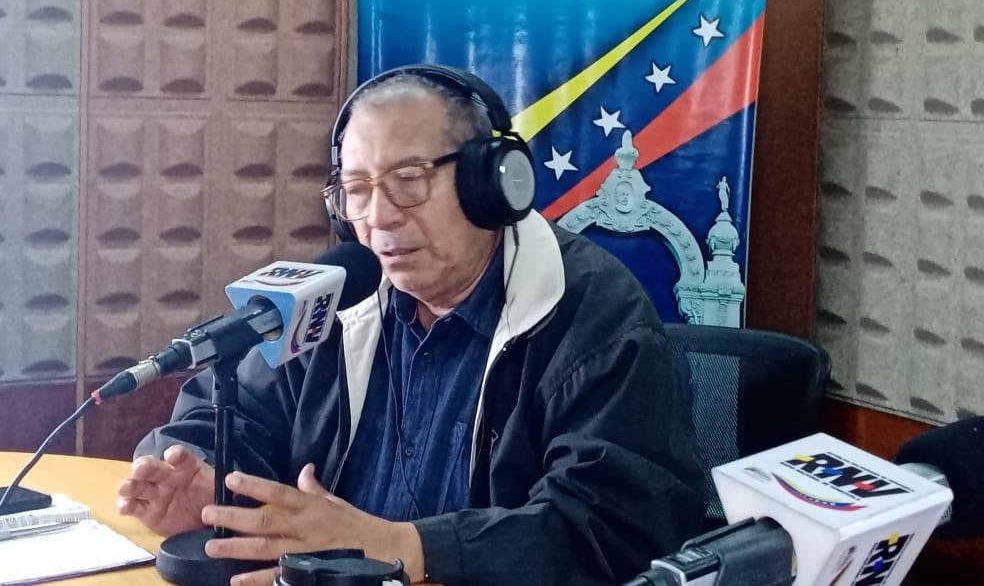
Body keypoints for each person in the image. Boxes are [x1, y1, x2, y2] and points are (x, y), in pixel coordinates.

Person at [118, 65, 708, 585]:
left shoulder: (594, 315)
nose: (378, 217)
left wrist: (412, 547)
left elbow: (614, 529)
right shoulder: (335, 300)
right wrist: (205, 478)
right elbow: (229, 415)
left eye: (408, 181)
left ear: (491, 181)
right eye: (356, 190)